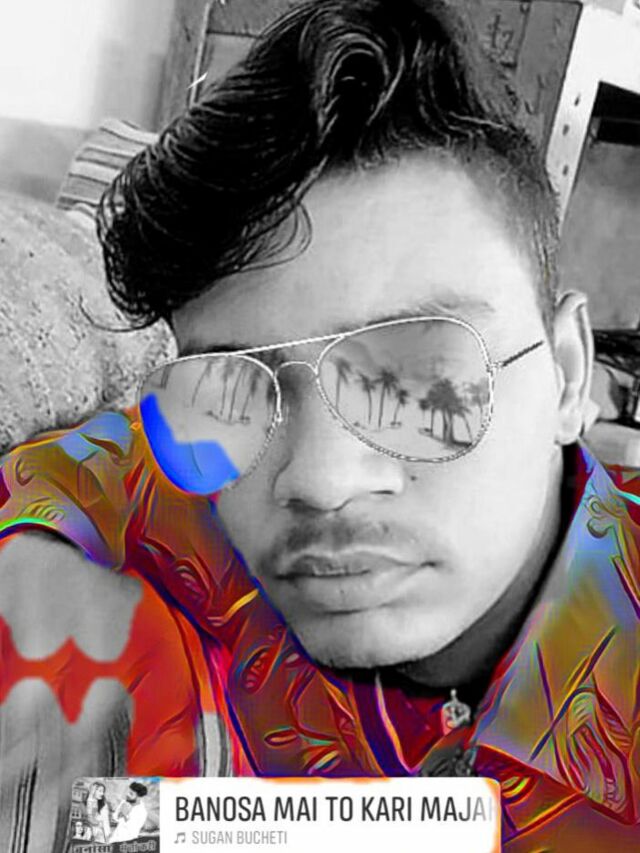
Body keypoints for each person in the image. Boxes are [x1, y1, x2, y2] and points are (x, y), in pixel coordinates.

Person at [0, 1, 638, 851]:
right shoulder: (186, 479)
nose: (318, 479)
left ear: (566, 371)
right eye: (237, 386)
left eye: (417, 374)